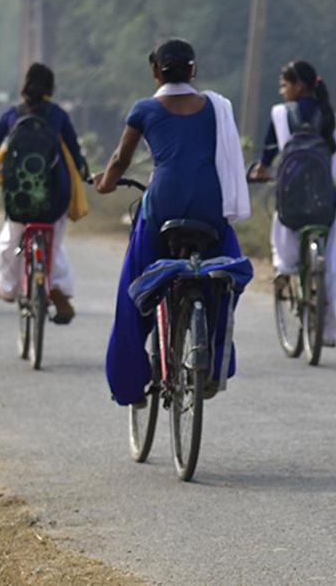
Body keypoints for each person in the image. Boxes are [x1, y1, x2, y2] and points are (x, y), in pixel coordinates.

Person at [93, 39, 250, 406]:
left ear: (154, 71)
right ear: (193, 71)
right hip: (210, 208)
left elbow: (119, 160)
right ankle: (210, 360)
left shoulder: (145, 108)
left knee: (132, 289)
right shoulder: (216, 107)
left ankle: (133, 383)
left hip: (163, 206)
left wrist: (104, 183)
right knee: (225, 274)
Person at [248, 60, 336, 347]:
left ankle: (285, 268)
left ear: (298, 85)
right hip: (325, 201)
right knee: (331, 260)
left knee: (282, 226)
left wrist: (262, 171)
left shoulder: (281, 114)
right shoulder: (333, 118)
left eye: (284, 85)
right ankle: (327, 329)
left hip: (292, 199)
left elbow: (267, 156)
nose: (281, 91)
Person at [0, 62, 88, 323]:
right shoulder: (58, 116)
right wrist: (84, 173)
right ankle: (58, 290)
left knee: (8, 243)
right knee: (55, 245)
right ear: (51, 88)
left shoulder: (12, 114)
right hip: (55, 196)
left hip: (19, 197)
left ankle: (7, 288)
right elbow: (74, 151)